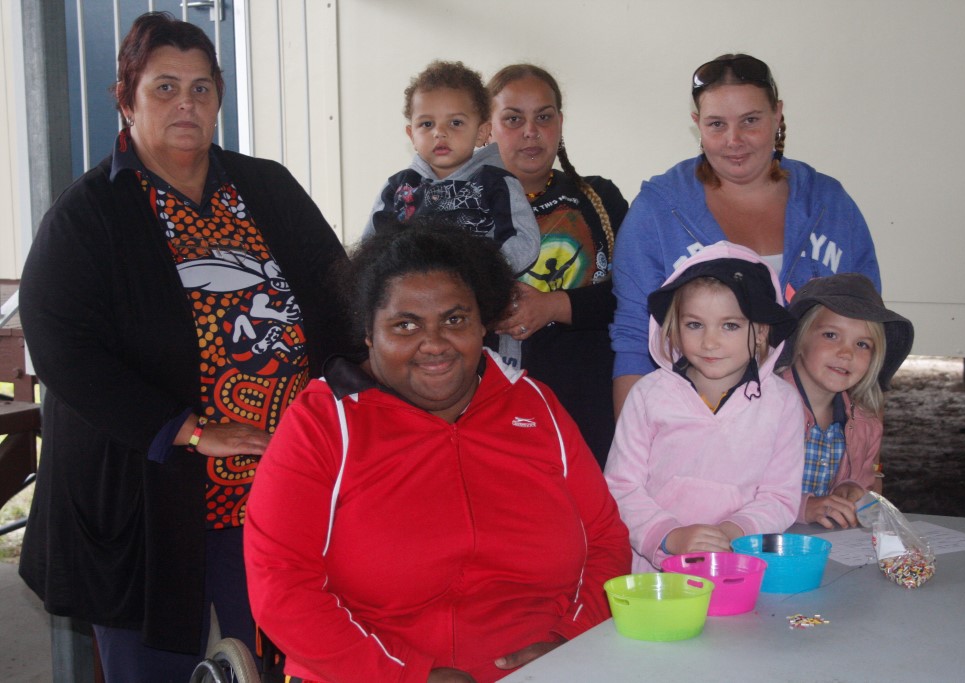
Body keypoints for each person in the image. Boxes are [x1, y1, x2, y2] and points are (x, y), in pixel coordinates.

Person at [17, 12, 360, 680]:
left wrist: (349, 388)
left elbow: (340, 291)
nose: (186, 104)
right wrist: (190, 430)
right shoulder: (89, 214)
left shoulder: (266, 187)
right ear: (126, 98)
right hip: (148, 494)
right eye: (164, 87)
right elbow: (63, 344)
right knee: (151, 666)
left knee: (276, 655)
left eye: (202, 89)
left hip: (274, 482)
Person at [244, 224, 631, 683]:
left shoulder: (536, 406)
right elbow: (282, 587)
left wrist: (572, 642)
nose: (435, 344)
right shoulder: (323, 424)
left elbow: (604, 539)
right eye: (405, 325)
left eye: (454, 320)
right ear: (368, 332)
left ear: (482, 323)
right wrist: (407, 678)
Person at [611, 54, 881, 416]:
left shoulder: (829, 204)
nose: (734, 140)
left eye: (750, 120)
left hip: (812, 431)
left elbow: (869, 333)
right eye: (717, 124)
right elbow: (633, 338)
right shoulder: (657, 211)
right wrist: (635, 451)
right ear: (697, 124)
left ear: (778, 115)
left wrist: (865, 456)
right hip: (695, 429)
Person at [604, 241, 804, 573]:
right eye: (695, 325)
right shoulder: (648, 396)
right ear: (675, 327)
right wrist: (669, 536)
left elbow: (779, 497)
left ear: (761, 332)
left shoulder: (783, 405)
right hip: (656, 571)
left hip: (738, 564)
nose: (710, 342)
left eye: (730, 325)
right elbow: (621, 487)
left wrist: (735, 532)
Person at [486, 63, 628, 468]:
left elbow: (637, 298)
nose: (531, 131)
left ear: (561, 123)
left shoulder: (599, 199)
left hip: (589, 407)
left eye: (544, 117)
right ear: (487, 127)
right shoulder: (459, 207)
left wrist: (552, 306)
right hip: (489, 409)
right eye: (513, 119)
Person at [365, 60, 540, 276]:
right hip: (408, 298)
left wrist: (479, 276)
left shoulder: (496, 184)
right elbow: (370, 249)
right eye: (427, 124)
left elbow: (524, 241)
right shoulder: (397, 188)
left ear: (481, 133)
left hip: (473, 297)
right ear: (412, 135)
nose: (439, 132)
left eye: (455, 123)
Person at [776, 273, 914, 528]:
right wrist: (803, 507)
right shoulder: (762, 408)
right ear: (800, 338)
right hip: (757, 547)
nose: (846, 352)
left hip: (824, 548)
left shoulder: (864, 422)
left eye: (862, 344)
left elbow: (865, 481)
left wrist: (849, 488)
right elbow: (739, 490)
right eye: (831, 335)